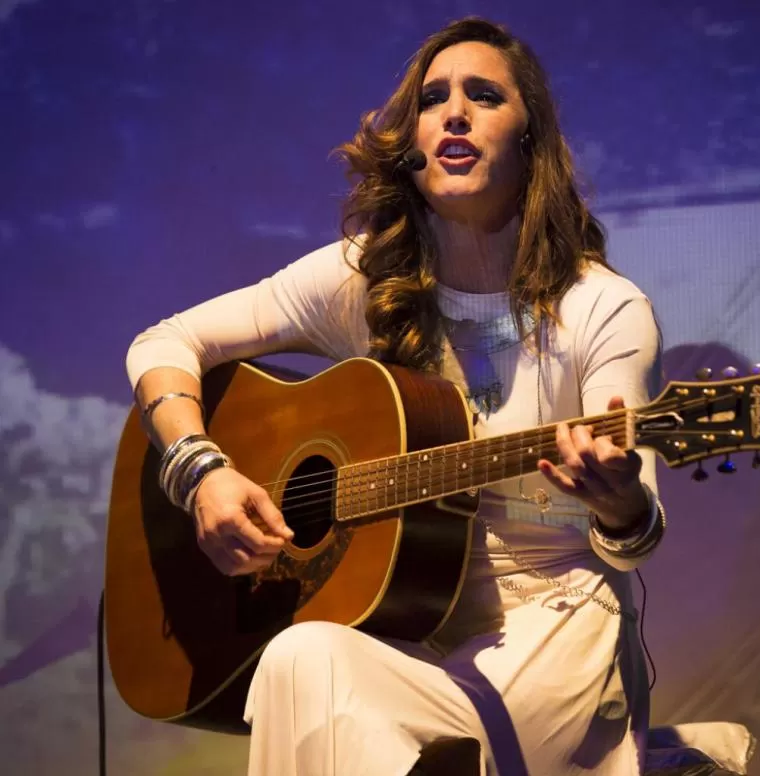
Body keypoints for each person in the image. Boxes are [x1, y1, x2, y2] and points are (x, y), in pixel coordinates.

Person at [126, 16, 666, 776]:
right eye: (433, 99)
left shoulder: (602, 309)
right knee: (300, 656)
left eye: (484, 96)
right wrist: (201, 472)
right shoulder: (363, 278)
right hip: (402, 625)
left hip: (552, 628)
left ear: (530, 139)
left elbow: (636, 533)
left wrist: (620, 504)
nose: (455, 113)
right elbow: (164, 344)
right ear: (410, 144)